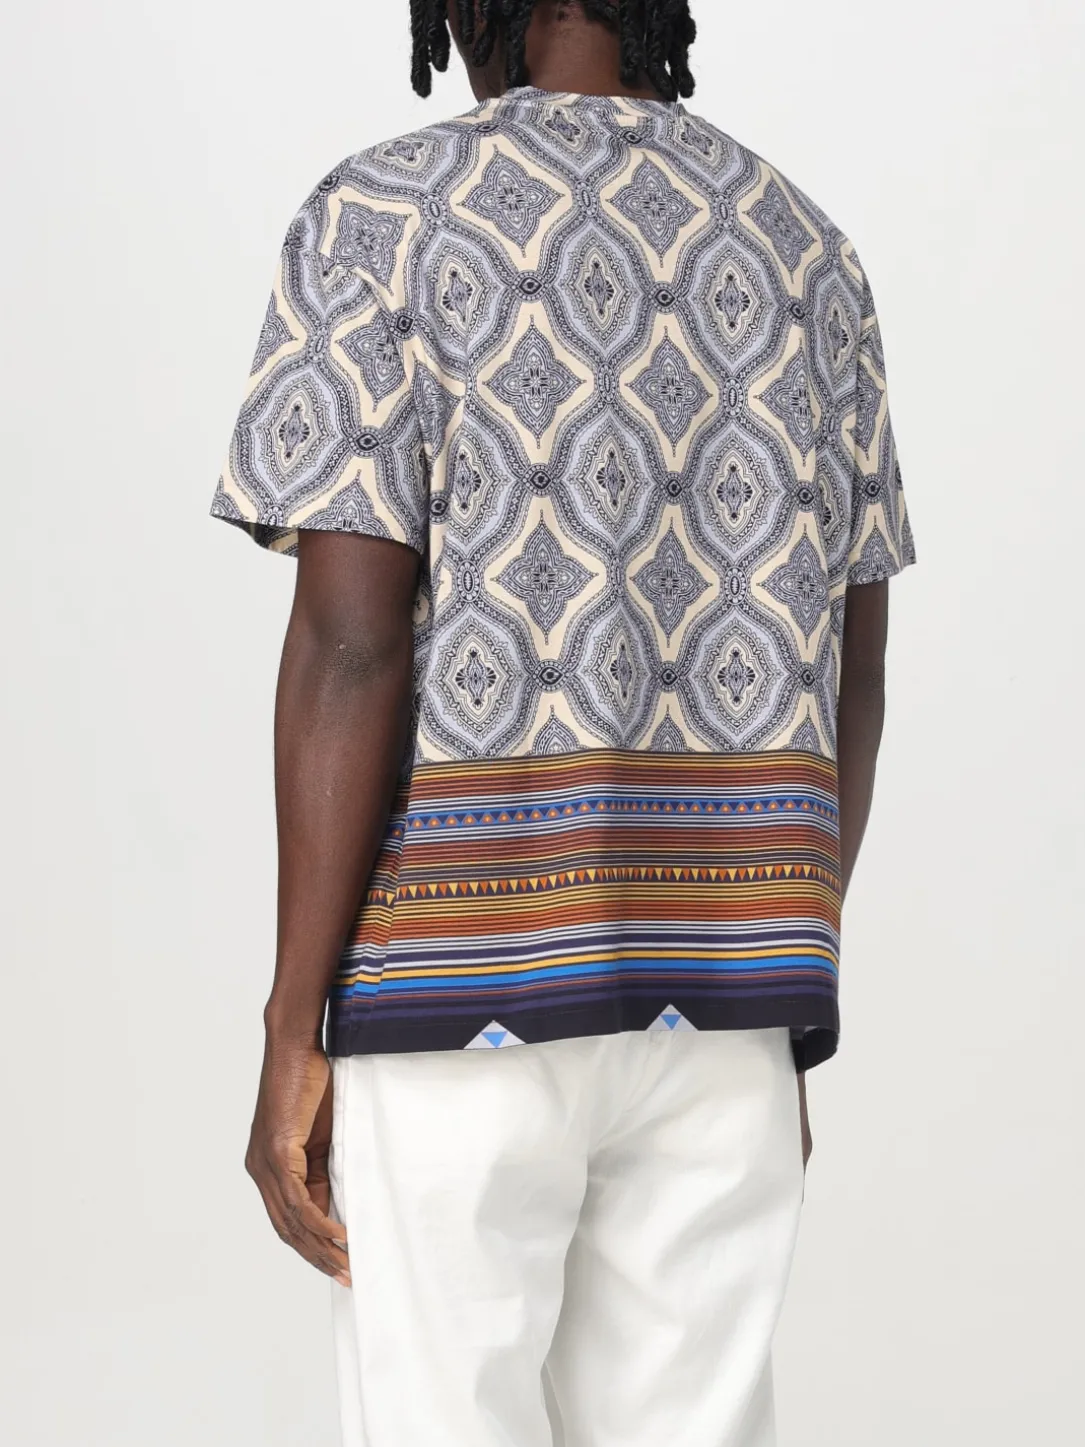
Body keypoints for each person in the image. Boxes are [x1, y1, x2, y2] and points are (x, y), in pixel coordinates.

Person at [211, 2, 915, 1442]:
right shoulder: (806, 249)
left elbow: (351, 647)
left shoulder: (384, 218)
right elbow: (856, 665)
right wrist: (783, 985)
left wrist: (293, 1024)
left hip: (458, 989)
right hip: (727, 1000)